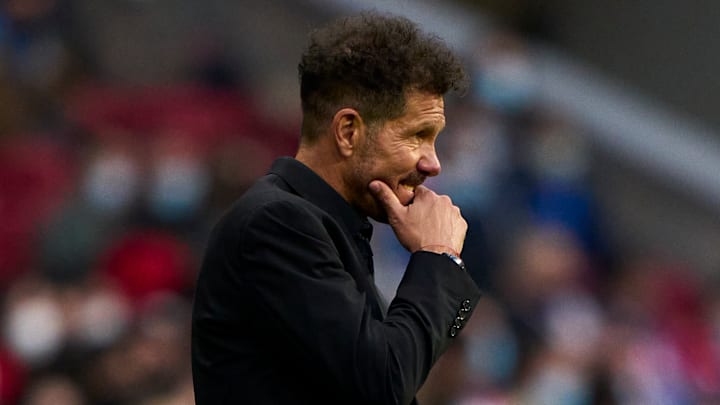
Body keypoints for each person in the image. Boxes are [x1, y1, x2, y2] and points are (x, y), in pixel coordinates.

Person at [191, 12, 482, 404]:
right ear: (348, 132)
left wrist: (445, 267)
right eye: (417, 135)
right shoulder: (277, 223)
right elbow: (384, 384)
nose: (433, 164)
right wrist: (438, 258)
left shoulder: (330, 229)